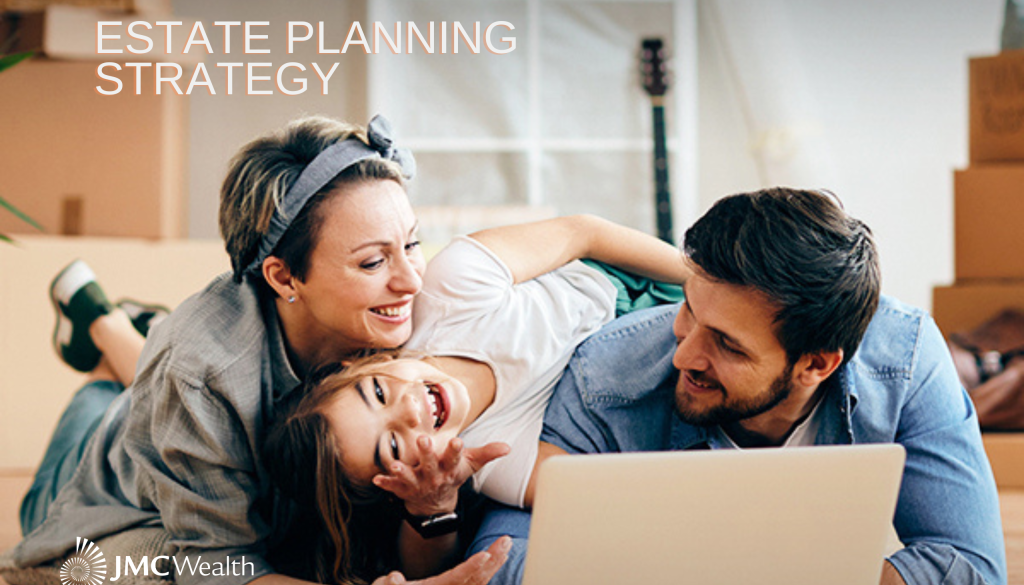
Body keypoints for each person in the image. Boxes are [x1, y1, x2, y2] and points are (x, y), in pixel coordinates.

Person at [12, 115, 511, 585]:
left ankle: (121, 334)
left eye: (411, 244)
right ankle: (102, 323)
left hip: (182, 423)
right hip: (125, 495)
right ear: (283, 276)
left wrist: (432, 510)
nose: (410, 280)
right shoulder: (200, 367)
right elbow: (215, 563)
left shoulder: (398, 316)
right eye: (373, 262)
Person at [469, 187, 1007, 585]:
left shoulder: (906, 360)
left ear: (815, 364)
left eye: (727, 344)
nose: (684, 354)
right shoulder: (606, 376)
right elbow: (503, 556)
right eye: (688, 310)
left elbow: (971, 565)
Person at [263, 214, 690, 583]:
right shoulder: (489, 461)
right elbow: (608, 489)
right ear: (400, 485)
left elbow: (586, 233)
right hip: (644, 365)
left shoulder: (450, 287)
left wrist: (701, 278)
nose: (410, 409)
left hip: (635, 281)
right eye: (392, 445)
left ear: (356, 365)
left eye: (376, 392)